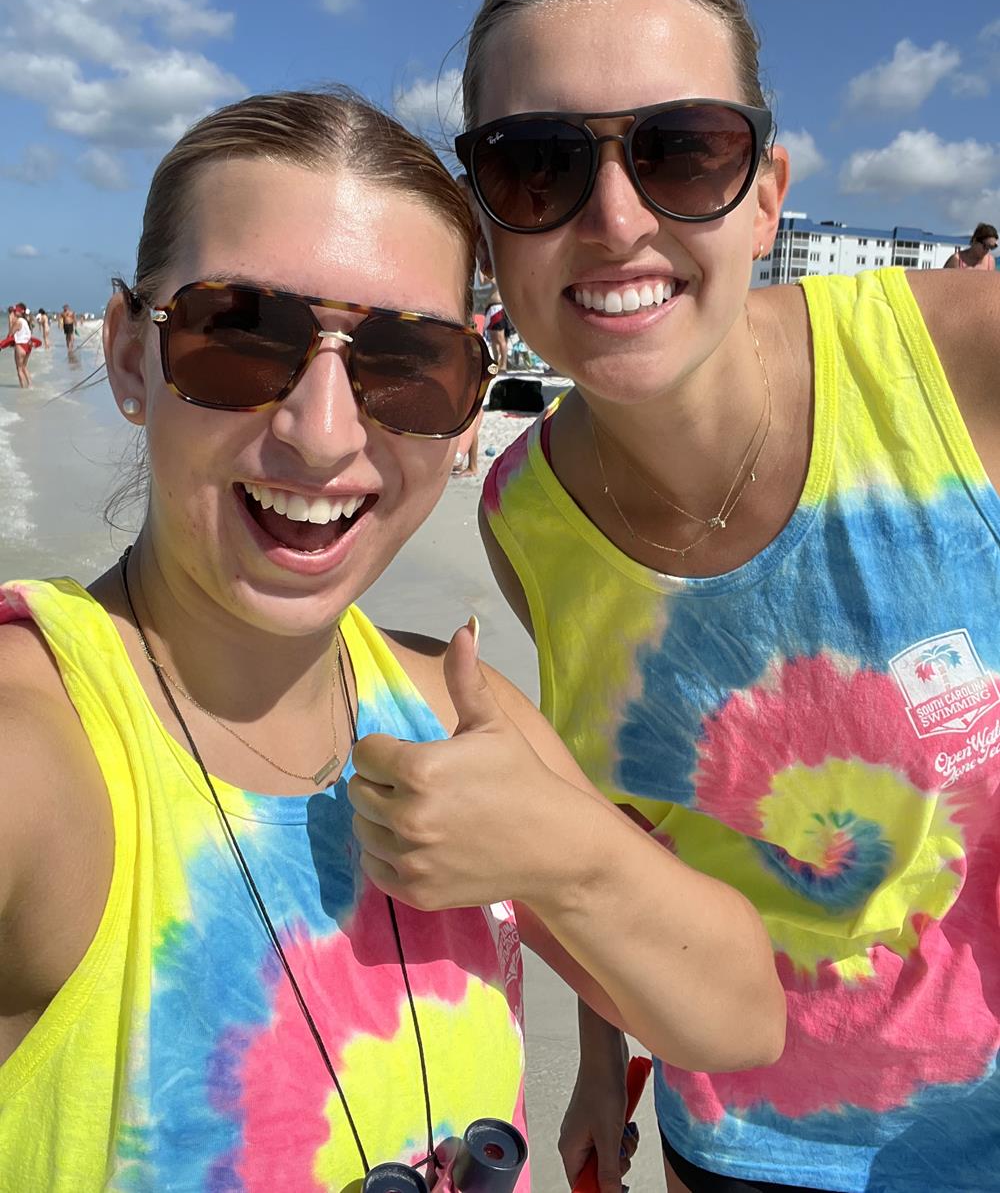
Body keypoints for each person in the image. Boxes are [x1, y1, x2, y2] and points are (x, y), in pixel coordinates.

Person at [0, 87, 783, 1191]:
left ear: (465, 400)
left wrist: (567, 853)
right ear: (131, 354)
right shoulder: (38, 752)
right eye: (240, 336)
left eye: (406, 363)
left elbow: (734, 1022)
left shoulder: (447, 705)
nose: (323, 435)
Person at [456, 0, 1000, 1193]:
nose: (615, 218)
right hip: (735, 1136)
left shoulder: (958, 361)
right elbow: (620, 823)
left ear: (766, 189)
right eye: (535, 167)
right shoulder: (521, 512)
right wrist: (598, 1064)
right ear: (486, 226)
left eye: (681, 150)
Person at [1, 302, 38, 388]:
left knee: (19, 369)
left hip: (20, 346)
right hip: (28, 346)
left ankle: (23, 389)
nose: (13, 312)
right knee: (24, 367)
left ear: (20, 312)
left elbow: (10, 335)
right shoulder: (25, 321)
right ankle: (31, 386)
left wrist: (10, 321)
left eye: (15, 310)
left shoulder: (18, 322)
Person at [484, 284, 508, 370]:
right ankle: (496, 363)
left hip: (497, 307)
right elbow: (483, 282)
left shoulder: (497, 273)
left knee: (500, 338)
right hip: (489, 308)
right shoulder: (486, 274)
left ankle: (504, 364)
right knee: (493, 339)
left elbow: (492, 280)